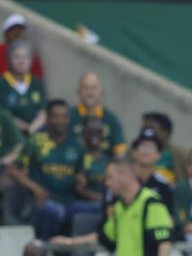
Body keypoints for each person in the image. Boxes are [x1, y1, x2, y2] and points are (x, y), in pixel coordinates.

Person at [8, 99, 84, 240]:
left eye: (64, 116)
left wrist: (82, 182)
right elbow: (12, 170)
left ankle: (78, 255)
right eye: (55, 116)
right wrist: (35, 187)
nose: (60, 121)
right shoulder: (36, 141)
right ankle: (45, 250)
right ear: (48, 118)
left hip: (69, 202)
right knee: (54, 212)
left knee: (96, 210)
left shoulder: (77, 145)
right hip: (41, 203)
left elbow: (80, 176)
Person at [69, 72, 126, 157]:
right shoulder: (68, 116)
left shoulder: (112, 120)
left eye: (93, 88)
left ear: (101, 92)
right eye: (85, 88)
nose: (89, 92)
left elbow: (120, 152)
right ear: (78, 91)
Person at [0, 40, 46, 135]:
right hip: (9, 135)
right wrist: (23, 128)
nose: (21, 61)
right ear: (9, 60)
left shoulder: (37, 84)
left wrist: (31, 129)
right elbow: (4, 114)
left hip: (36, 133)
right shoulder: (2, 84)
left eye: (25, 57)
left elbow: (43, 112)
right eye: (17, 57)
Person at [131, 127, 175, 217]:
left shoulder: (164, 185)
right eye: (143, 147)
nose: (146, 152)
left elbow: (168, 216)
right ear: (134, 152)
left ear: (159, 155)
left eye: (151, 148)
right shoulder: (123, 180)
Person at [141, 112, 186, 185]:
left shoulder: (179, 155)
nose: (146, 132)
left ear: (165, 132)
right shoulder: (134, 151)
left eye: (150, 129)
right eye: (143, 129)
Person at [75, 117, 110, 205]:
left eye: (98, 131)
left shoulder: (109, 158)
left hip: (108, 204)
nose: (95, 135)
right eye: (91, 131)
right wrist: (102, 199)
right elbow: (80, 189)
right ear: (83, 133)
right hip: (86, 205)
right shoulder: (79, 158)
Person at [0, 14, 43, 78]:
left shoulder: (32, 53)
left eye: (20, 29)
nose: (17, 32)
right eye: (13, 30)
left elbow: (38, 78)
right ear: (6, 33)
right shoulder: (1, 50)